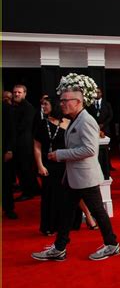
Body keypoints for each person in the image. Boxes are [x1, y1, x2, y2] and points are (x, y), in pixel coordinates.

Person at [32, 73, 120, 261]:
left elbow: (89, 149)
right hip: (75, 177)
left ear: (78, 101)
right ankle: (60, 247)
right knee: (67, 213)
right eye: (61, 100)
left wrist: (60, 155)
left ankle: (111, 244)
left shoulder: (86, 120)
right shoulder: (76, 119)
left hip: (85, 177)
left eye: (65, 100)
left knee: (97, 213)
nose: (61, 103)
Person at [33, 97, 70, 236]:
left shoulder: (68, 122)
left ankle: (66, 225)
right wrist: (40, 165)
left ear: (54, 105)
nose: (43, 106)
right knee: (49, 196)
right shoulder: (42, 124)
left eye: (46, 104)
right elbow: (36, 146)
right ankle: (49, 226)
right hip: (48, 164)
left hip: (65, 164)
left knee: (65, 196)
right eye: (42, 104)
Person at [11, 84, 40, 201]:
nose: (16, 94)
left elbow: (23, 126)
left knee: (25, 169)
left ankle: (28, 192)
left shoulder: (27, 108)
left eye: (19, 92)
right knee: (23, 168)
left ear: (25, 94)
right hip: (21, 142)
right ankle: (32, 189)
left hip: (25, 144)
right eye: (15, 92)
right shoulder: (17, 107)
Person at [2, 99, 18, 219]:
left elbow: (12, 131)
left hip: (4, 151)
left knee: (5, 182)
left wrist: (10, 149)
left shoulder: (6, 108)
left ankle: (8, 208)